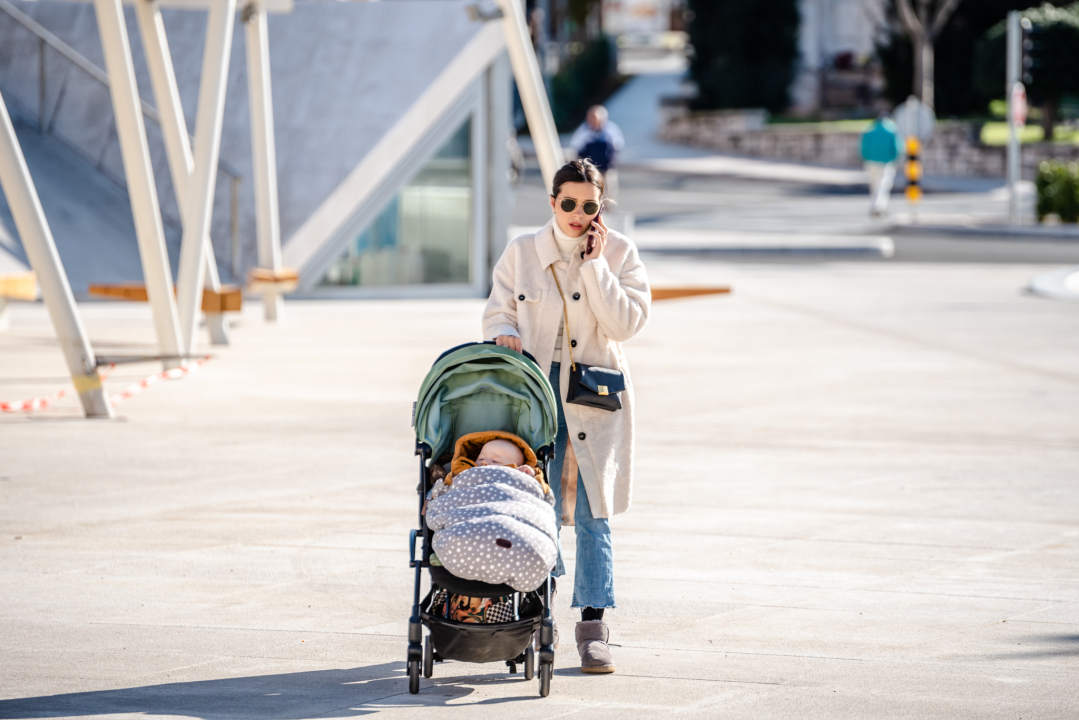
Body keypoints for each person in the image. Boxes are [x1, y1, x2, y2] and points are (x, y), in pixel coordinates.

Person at [483, 158, 650, 674]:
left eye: (590, 206)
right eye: (569, 203)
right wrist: (504, 331)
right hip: (535, 396)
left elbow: (626, 324)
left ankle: (593, 630)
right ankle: (536, 619)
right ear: (552, 201)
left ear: (601, 207)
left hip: (596, 402)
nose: (578, 214)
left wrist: (596, 266)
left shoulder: (620, 252)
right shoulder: (521, 252)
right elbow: (497, 310)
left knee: (594, 517)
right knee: (538, 509)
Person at [860, 114, 902, 218]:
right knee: (883, 185)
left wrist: (866, 159)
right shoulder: (891, 132)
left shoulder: (870, 131)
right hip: (886, 162)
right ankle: (879, 206)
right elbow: (898, 148)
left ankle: (875, 205)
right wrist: (894, 159)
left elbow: (863, 147)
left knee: (874, 185)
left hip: (870, 162)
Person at [571, 105, 624, 176]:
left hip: (606, 168)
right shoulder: (583, 130)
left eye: (594, 118)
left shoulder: (611, 130)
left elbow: (618, 146)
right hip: (589, 170)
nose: (592, 120)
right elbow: (576, 146)